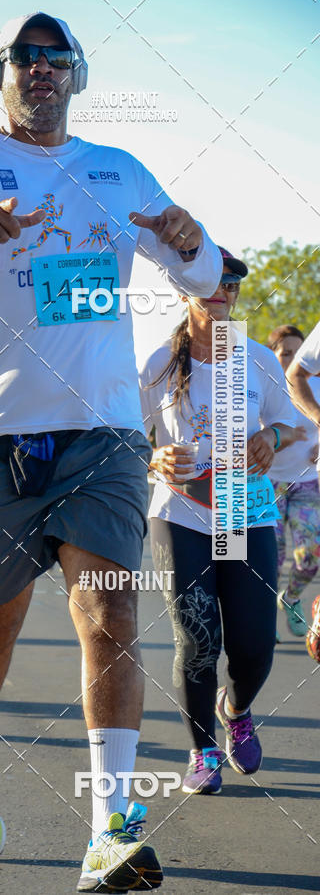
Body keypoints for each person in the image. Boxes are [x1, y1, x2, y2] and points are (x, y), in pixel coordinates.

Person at [0, 10, 222, 892]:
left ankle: (111, 829)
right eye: (22, 59)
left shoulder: (117, 170)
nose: (39, 71)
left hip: (104, 434)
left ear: (76, 75)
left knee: (112, 623)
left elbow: (206, 281)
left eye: (54, 60)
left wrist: (193, 242)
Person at [140, 248, 297, 797]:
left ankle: (237, 708)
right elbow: (124, 434)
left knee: (254, 647)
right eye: (212, 284)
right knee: (198, 638)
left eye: (231, 286)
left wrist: (270, 437)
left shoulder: (256, 358)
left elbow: (293, 426)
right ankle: (202, 749)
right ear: (186, 290)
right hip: (181, 512)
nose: (223, 294)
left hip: (243, 511)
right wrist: (153, 457)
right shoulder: (159, 361)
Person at [267, 326, 320, 638]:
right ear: (273, 354)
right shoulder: (263, 384)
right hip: (269, 482)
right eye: (285, 352)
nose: (292, 359)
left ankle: (291, 597)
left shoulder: (314, 384)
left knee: (309, 558)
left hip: (306, 482)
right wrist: (277, 438)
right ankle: (263, 620)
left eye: (298, 353)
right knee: (271, 556)